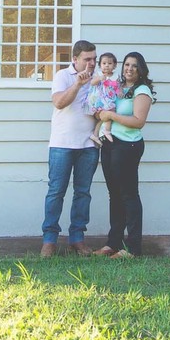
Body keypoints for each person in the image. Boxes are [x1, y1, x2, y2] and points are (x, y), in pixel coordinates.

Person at [93, 51, 156, 258]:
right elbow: (104, 103)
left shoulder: (142, 90)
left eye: (134, 66)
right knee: (115, 195)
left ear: (141, 70)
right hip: (110, 143)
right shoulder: (118, 87)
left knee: (129, 195)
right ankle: (113, 242)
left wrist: (110, 115)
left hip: (128, 147)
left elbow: (138, 121)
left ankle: (132, 248)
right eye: (127, 64)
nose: (129, 69)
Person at [41, 40, 100, 258]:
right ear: (75, 59)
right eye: (87, 59)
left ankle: (77, 239)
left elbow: (101, 108)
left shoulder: (98, 78)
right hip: (61, 144)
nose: (92, 63)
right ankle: (49, 240)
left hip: (89, 145)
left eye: (94, 58)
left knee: (83, 193)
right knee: (56, 192)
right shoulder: (62, 76)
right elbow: (58, 102)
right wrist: (77, 84)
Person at [82, 52, 121, 147]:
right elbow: (92, 83)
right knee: (109, 113)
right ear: (100, 65)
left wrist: (120, 91)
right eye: (104, 63)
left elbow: (118, 86)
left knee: (106, 116)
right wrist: (99, 78)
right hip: (99, 99)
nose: (106, 66)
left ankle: (95, 134)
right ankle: (106, 130)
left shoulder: (116, 76)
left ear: (115, 65)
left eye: (109, 63)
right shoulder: (98, 74)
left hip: (109, 98)